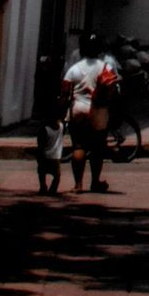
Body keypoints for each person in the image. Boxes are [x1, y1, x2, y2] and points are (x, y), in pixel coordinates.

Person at [62, 34, 117, 191]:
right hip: (99, 111)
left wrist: (61, 114)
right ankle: (95, 182)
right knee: (97, 148)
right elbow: (113, 90)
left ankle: (78, 184)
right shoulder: (105, 68)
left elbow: (65, 93)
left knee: (78, 146)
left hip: (78, 109)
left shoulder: (74, 69)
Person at [31, 52, 67, 195]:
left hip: (45, 157)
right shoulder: (61, 127)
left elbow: (40, 144)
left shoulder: (44, 129)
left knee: (42, 172)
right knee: (57, 176)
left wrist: (39, 154)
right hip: (56, 158)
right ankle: (52, 189)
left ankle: (43, 187)